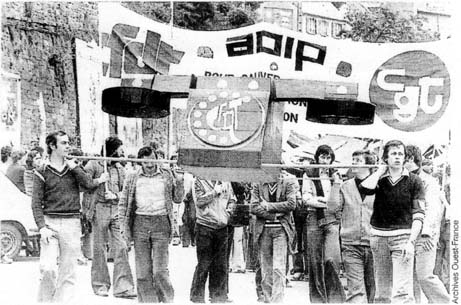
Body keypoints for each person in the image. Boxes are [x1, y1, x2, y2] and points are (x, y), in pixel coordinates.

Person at [31, 131, 108, 303]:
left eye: (68, 143)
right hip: (49, 223)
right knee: (48, 268)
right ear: (52, 146)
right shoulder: (42, 170)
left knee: (68, 271)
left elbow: (89, 185)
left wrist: (78, 169)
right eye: (64, 143)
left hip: (72, 223)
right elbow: (36, 202)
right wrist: (42, 226)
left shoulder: (74, 169)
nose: (68, 146)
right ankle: (45, 301)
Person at [360, 140, 425, 303]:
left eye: (400, 154)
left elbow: (418, 214)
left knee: (402, 293)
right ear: (386, 158)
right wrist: (379, 172)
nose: (397, 157)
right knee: (382, 292)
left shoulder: (414, 181)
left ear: (405, 158)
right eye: (393, 154)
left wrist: (411, 241)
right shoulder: (379, 180)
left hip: (402, 238)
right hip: (379, 238)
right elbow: (364, 189)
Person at [119, 146, 184, 303]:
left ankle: (168, 299)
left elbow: (178, 199)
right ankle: (149, 301)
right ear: (140, 161)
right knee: (142, 271)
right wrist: (123, 225)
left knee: (159, 270)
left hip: (161, 223)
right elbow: (124, 202)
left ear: (157, 158)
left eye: (152, 160)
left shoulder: (167, 174)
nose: (149, 164)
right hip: (140, 224)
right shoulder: (132, 177)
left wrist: (180, 182)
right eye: (145, 161)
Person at [83, 137, 136, 298]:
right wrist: (99, 180)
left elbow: (126, 193)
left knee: (121, 247)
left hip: (116, 210)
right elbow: (84, 183)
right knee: (99, 248)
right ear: (112, 150)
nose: (122, 154)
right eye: (120, 150)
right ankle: (100, 285)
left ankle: (123, 287)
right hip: (99, 208)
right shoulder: (94, 164)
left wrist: (115, 195)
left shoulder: (120, 169)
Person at [405, 145, 450, 303]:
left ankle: (445, 302)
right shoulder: (405, 180)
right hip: (407, 233)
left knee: (424, 275)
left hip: (424, 234)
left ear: (410, 159)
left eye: (403, 159)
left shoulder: (428, 182)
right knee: (410, 278)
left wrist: (426, 234)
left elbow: (433, 210)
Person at [301, 145, 345, 303]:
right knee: (315, 260)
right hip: (314, 216)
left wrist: (323, 201)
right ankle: (318, 299)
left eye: (328, 158)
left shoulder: (337, 175)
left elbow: (339, 199)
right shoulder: (309, 174)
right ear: (317, 158)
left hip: (332, 219)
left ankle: (335, 299)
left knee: (331, 259)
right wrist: (326, 203)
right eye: (322, 157)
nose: (325, 161)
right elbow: (306, 198)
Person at [331, 150, 376, 303]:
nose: (354, 162)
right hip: (351, 245)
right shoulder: (345, 186)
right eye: (353, 159)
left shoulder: (379, 186)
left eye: (358, 160)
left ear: (369, 165)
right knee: (356, 291)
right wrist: (335, 184)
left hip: (375, 245)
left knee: (374, 290)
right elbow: (332, 208)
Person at [250, 171, 298, 303]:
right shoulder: (258, 183)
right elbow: (253, 207)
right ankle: (267, 299)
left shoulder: (287, 182)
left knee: (278, 267)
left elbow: (291, 204)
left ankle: (277, 300)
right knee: (266, 269)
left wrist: (268, 206)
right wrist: (273, 215)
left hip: (281, 230)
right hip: (263, 230)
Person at [190, 178, 235, 303]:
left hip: (222, 226)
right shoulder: (198, 181)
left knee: (220, 264)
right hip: (205, 226)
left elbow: (232, 199)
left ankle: (218, 296)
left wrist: (229, 212)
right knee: (204, 263)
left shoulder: (226, 180)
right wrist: (214, 192)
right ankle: (197, 297)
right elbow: (199, 201)